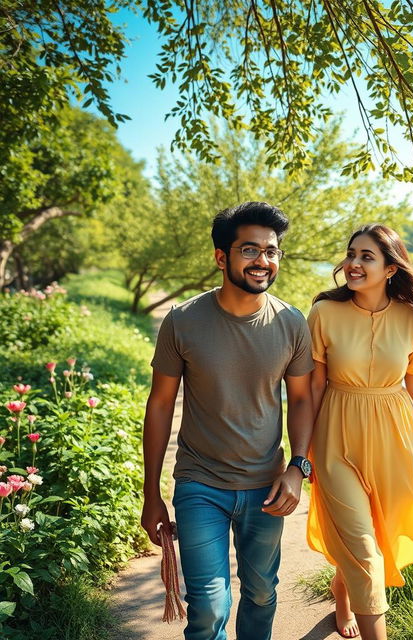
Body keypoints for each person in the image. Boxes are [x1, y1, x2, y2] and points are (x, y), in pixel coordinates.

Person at [141, 201, 315, 640]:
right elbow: (160, 405)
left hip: (266, 485)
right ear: (222, 257)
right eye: (250, 250)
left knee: (260, 593)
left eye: (272, 251)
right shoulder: (182, 320)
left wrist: (298, 467)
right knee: (209, 605)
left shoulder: (292, 323)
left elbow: (301, 401)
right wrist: (151, 494)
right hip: (200, 483)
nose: (264, 261)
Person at [306, 224, 413, 640]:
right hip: (336, 437)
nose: (353, 264)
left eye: (366, 257)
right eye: (351, 254)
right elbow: (315, 386)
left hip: (396, 441)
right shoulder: (324, 312)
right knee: (362, 547)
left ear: (391, 268)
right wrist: (301, 455)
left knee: (377, 538)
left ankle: (342, 591)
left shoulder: (410, 317)